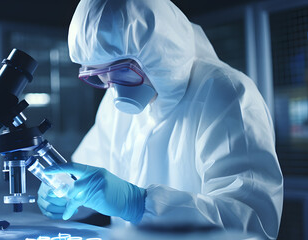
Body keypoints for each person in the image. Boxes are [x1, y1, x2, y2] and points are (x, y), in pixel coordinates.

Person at [37, 0, 283, 239]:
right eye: (99, 74)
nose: (113, 87)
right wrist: (66, 192)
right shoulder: (113, 106)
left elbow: (252, 222)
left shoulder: (225, 93)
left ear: (158, 53)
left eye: (122, 69)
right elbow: (87, 181)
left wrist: (138, 203)